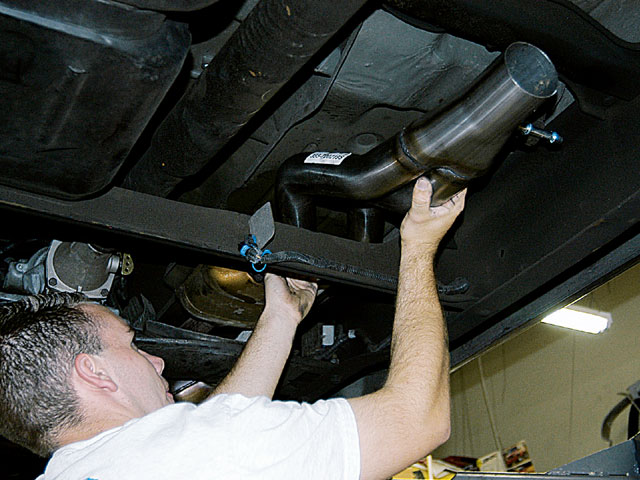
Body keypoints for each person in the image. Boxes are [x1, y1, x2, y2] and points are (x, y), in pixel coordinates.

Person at [0, 177, 466, 480]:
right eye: (133, 346)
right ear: (94, 372)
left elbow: (213, 430)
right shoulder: (185, 457)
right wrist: (417, 250)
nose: (157, 360)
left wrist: (280, 318)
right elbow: (417, 420)